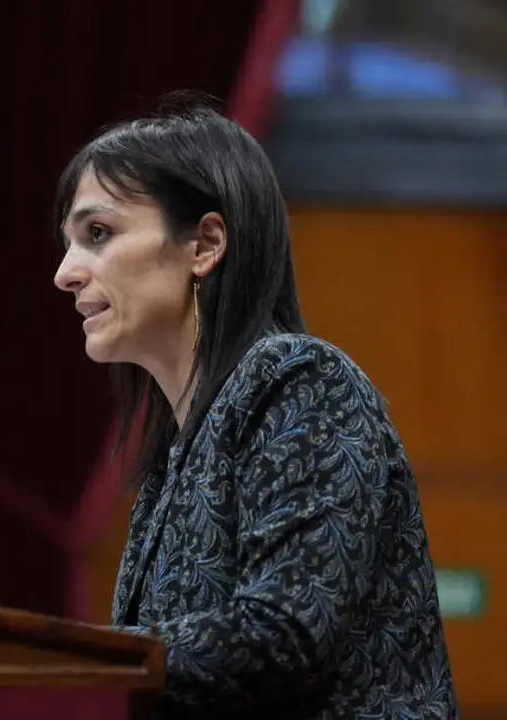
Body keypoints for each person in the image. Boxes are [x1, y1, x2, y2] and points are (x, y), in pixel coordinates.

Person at [52, 106, 458, 719]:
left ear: (206, 244)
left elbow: (286, 629)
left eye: (98, 234)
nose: (65, 273)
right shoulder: (174, 451)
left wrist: (69, 656)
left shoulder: (302, 381)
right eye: (69, 244)